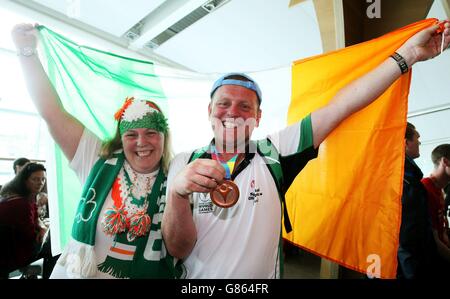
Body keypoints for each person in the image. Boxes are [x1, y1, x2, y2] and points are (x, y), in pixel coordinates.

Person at [162, 21, 450, 278]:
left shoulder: (274, 151)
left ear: (258, 117)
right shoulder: (184, 162)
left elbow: (342, 105)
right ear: (210, 110)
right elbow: (177, 248)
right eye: (224, 103)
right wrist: (177, 192)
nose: (233, 111)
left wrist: (408, 56)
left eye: (245, 105)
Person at [11, 24, 177, 278]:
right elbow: (52, 112)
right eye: (131, 134)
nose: (141, 142)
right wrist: (26, 52)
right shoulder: (98, 157)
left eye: (151, 133)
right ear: (121, 139)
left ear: (164, 137)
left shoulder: (178, 177)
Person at [397, 122, 436, 279]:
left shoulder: (408, 175)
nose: (419, 142)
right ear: (406, 143)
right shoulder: (404, 178)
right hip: (406, 266)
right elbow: (407, 234)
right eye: (417, 138)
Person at [0, 163, 48, 273]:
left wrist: (41, 226)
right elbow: (30, 236)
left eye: (42, 179)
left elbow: (35, 220)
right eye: (35, 179)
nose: (40, 183)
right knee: (55, 249)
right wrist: (43, 231)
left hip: (10, 250)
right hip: (14, 255)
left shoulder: (19, 195)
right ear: (25, 181)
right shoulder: (22, 203)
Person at [421, 144, 450, 268]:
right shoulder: (425, 188)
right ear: (445, 161)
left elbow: (441, 231)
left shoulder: (439, 189)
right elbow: (434, 241)